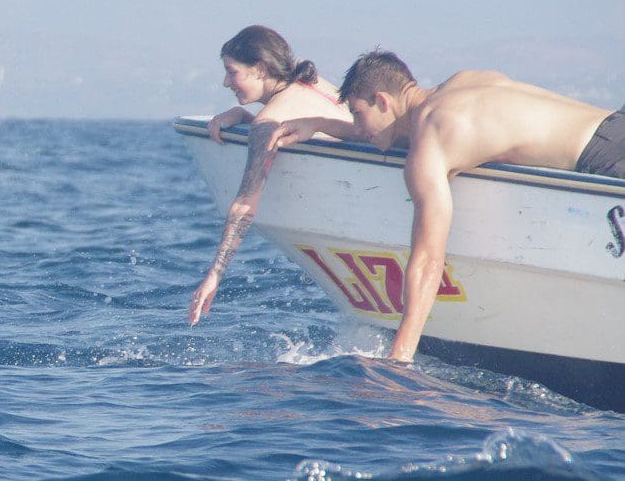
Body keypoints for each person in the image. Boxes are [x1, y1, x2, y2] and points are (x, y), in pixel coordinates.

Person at [268, 50, 621, 362]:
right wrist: (317, 124)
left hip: (605, 161)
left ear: (382, 100)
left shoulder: (431, 137)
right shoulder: (460, 84)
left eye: (358, 114)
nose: (358, 128)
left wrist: (400, 357)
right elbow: (399, 132)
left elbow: (428, 260)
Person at [187, 26, 353, 326]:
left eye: (231, 71)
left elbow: (245, 205)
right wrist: (242, 117)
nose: (226, 82)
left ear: (261, 69)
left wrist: (214, 275)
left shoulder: (267, 124)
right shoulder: (311, 83)